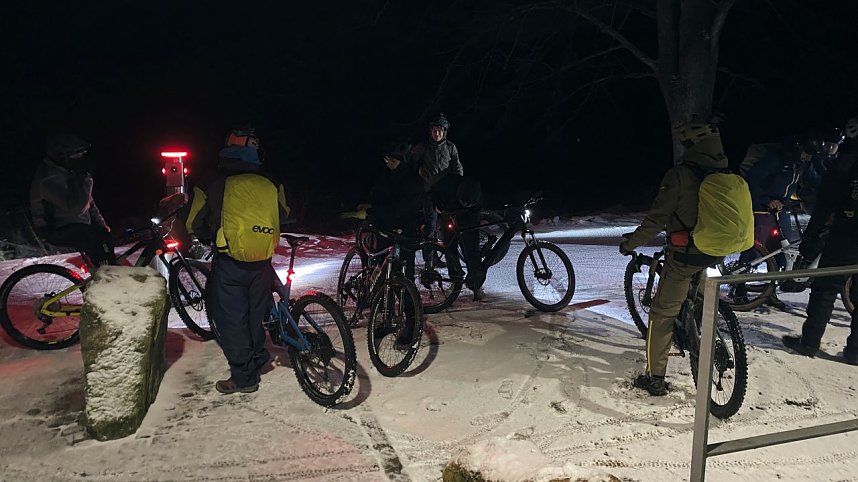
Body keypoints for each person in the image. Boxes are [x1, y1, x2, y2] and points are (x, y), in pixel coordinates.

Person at [619, 121, 730, 396]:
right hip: (716, 252)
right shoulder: (725, 172)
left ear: (692, 145)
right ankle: (711, 340)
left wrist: (630, 243)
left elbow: (657, 218)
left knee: (660, 315)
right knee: (704, 306)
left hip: (684, 258)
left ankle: (655, 377)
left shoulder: (680, 176)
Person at [193, 126, 290, 394]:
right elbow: (283, 213)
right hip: (262, 261)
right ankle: (256, 357)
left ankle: (244, 378)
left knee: (232, 320)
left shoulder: (212, 180)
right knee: (254, 315)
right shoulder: (271, 180)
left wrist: (207, 234)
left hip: (230, 262)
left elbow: (193, 222)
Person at [783, 115, 858, 364]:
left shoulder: (845, 162)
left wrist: (812, 235)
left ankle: (809, 342)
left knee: (825, 289)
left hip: (846, 234)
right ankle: (855, 351)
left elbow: (826, 202)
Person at [731, 135, 825, 307]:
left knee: (782, 252)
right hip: (762, 208)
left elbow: (814, 182)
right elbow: (753, 180)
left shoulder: (799, 166)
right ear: (798, 148)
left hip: (781, 210)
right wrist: (767, 200)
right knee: (754, 249)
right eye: (807, 153)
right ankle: (739, 287)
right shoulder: (775, 160)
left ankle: (770, 292)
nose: (808, 157)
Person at [29, 133, 115, 267]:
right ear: (62, 156)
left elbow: (89, 203)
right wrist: (86, 178)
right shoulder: (47, 180)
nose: (79, 159)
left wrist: (103, 226)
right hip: (55, 230)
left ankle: (105, 277)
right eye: (75, 155)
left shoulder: (67, 172)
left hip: (75, 227)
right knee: (99, 242)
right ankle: (106, 280)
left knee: (104, 239)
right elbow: (76, 208)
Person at [430, 173, 484, 300]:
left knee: (471, 249)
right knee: (450, 250)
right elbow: (432, 193)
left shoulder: (476, 193)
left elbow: (476, 213)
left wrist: (470, 215)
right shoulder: (446, 184)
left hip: (467, 216)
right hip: (448, 212)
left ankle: (476, 283)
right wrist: (438, 207)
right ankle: (455, 281)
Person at [411, 114, 464, 245]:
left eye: (439, 131)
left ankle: (449, 254)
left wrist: (460, 183)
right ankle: (430, 259)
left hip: (446, 192)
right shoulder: (424, 147)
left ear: (444, 133)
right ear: (430, 132)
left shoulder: (450, 147)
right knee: (431, 223)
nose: (437, 133)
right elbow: (410, 161)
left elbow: (457, 166)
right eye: (434, 130)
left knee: (449, 224)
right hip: (429, 191)